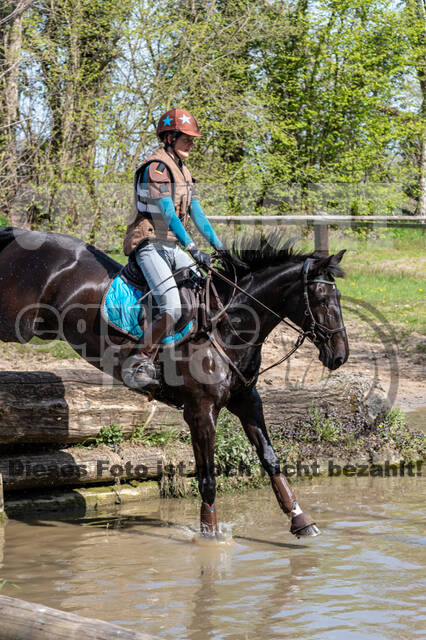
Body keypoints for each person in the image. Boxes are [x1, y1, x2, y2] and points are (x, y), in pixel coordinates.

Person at [121, 108, 222, 388]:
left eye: (192, 138)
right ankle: (138, 360)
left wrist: (218, 246)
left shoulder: (184, 171)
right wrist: (192, 248)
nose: (192, 143)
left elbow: (198, 215)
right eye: (186, 138)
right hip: (149, 243)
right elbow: (168, 214)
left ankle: (186, 351)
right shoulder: (157, 168)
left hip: (171, 245)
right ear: (169, 137)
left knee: (204, 287)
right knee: (172, 305)